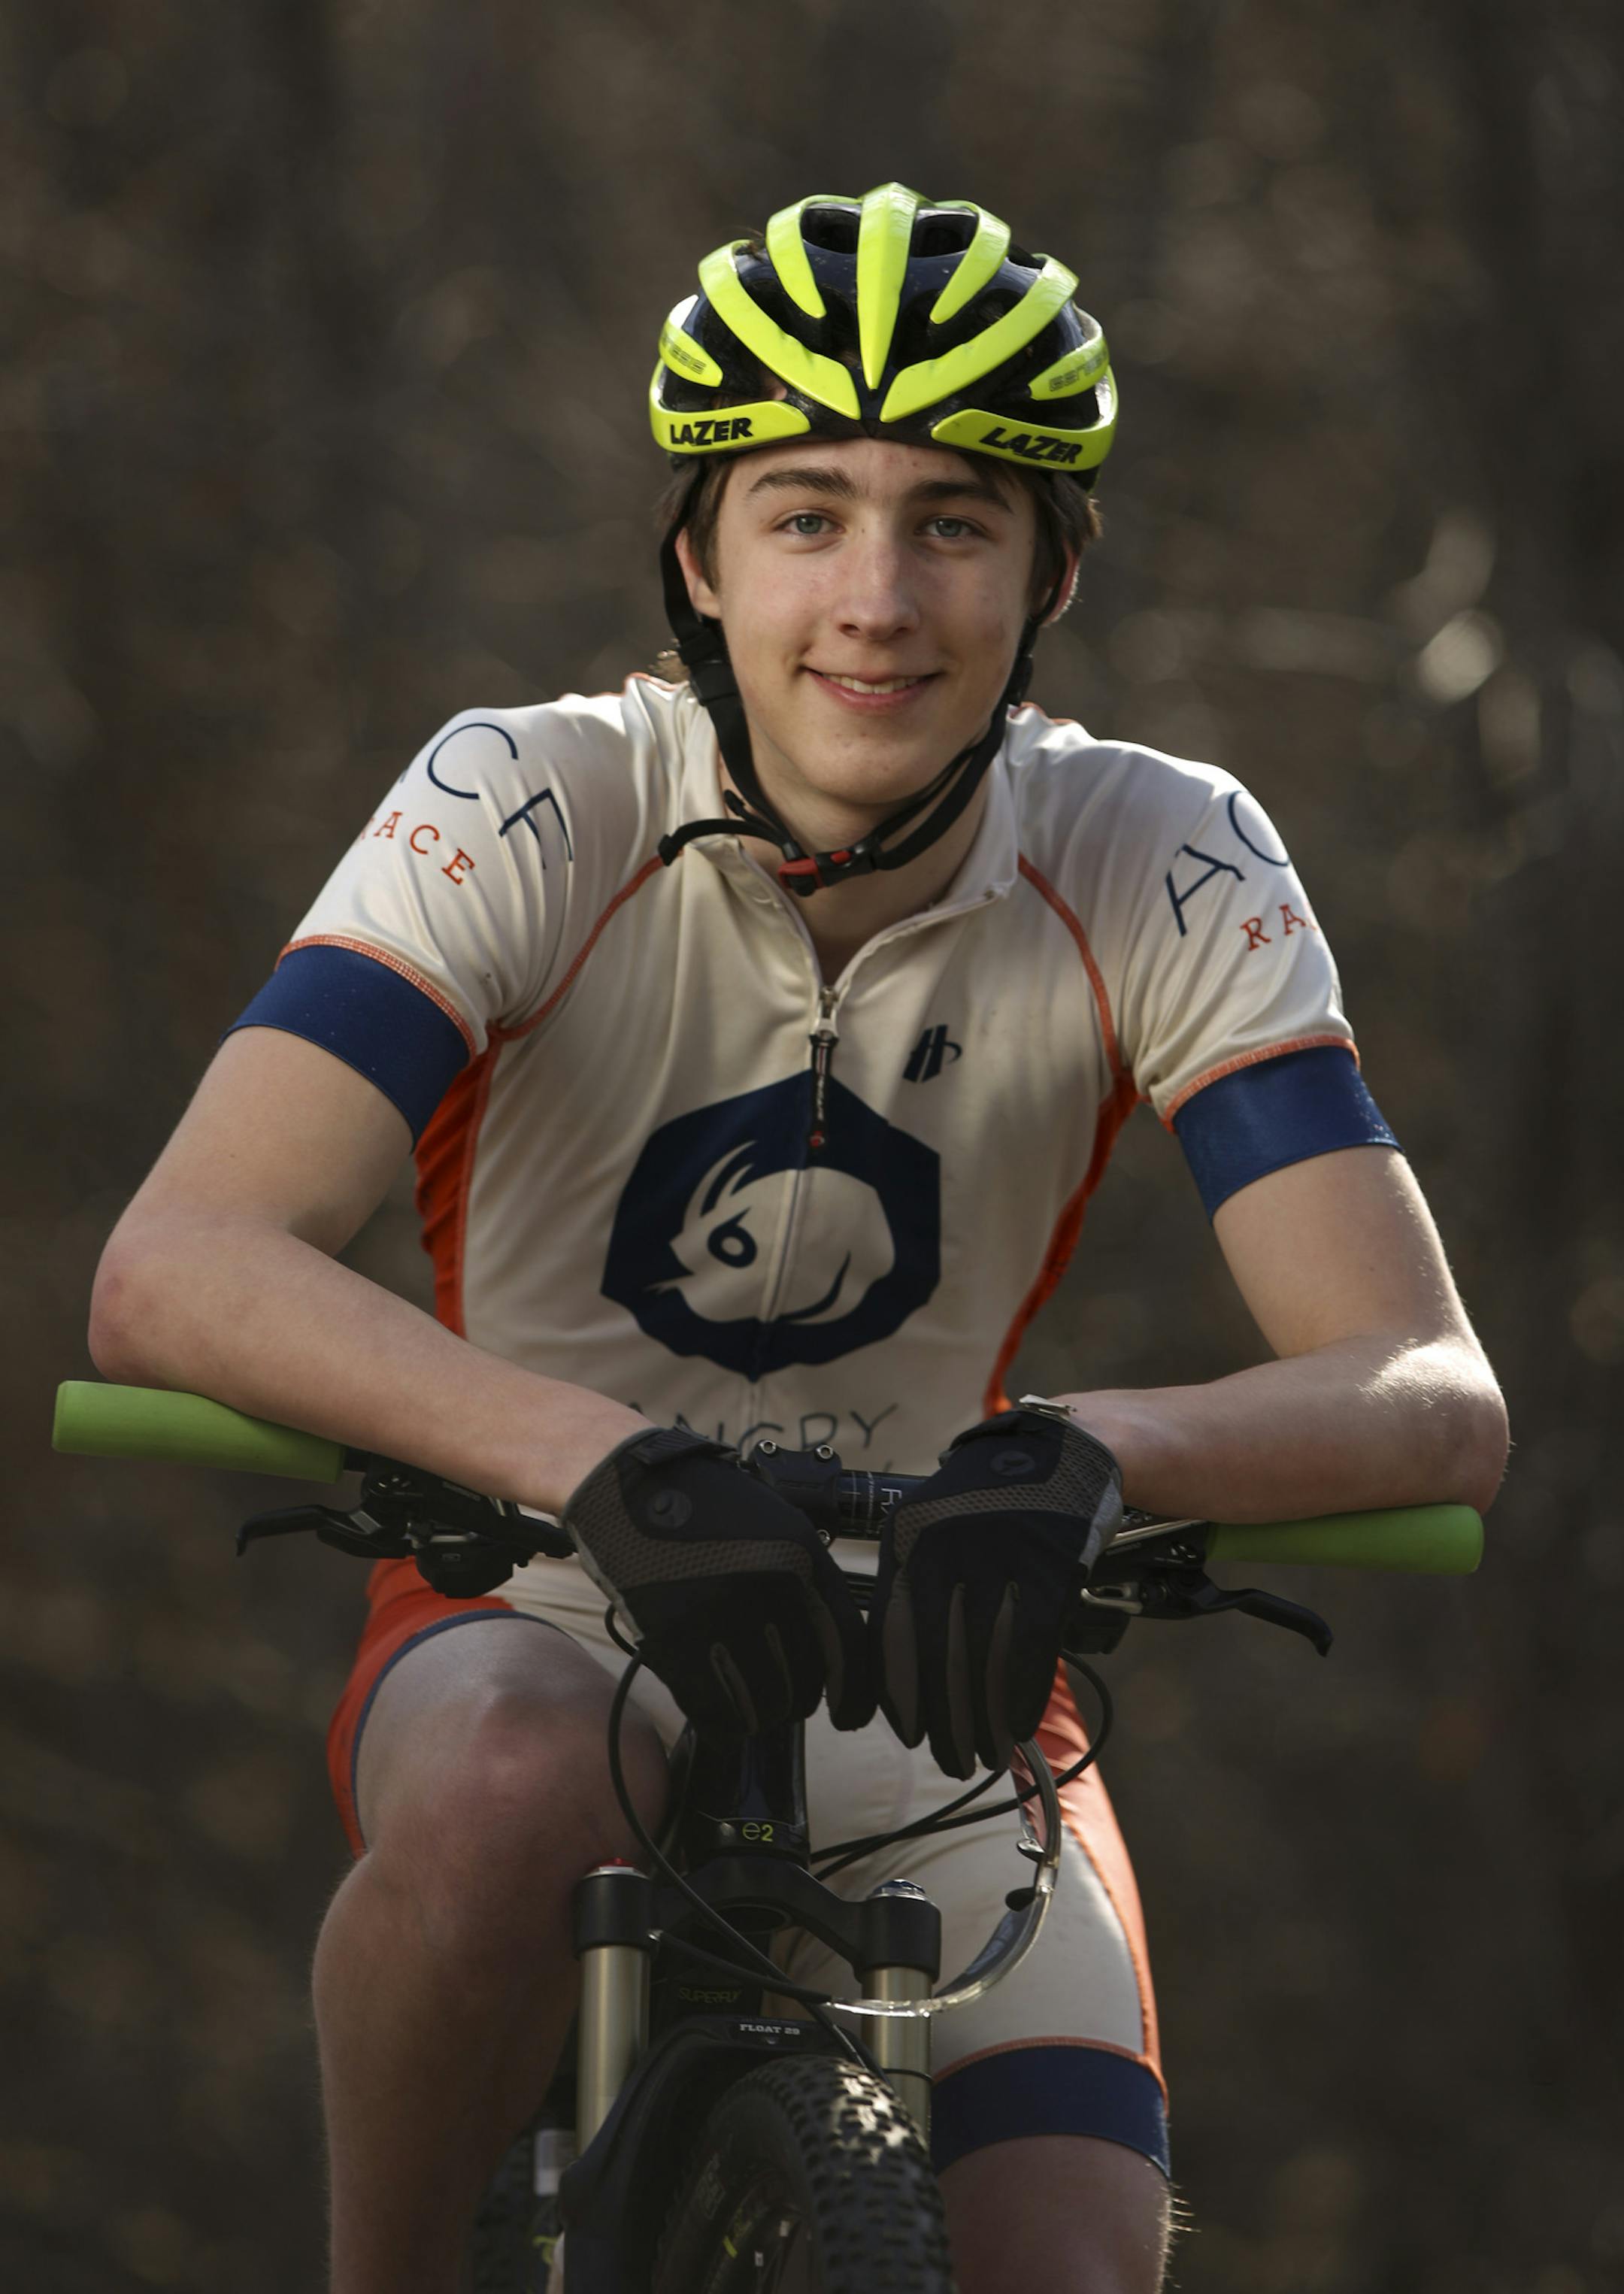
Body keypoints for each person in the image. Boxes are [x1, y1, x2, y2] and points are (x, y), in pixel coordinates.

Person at [89, 183, 1507, 2294]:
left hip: (935, 1664)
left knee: (1071, 2261)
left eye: (955, 518)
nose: (879, 595)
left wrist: (1094, 1450)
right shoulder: (528, 797)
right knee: (504, 1781)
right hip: (538, 1607)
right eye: (807, 511)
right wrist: (580, 1454)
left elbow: (1428, 1390)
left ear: (1051, 573)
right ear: (698, 553)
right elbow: (175, 1263)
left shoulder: (1160, 849)